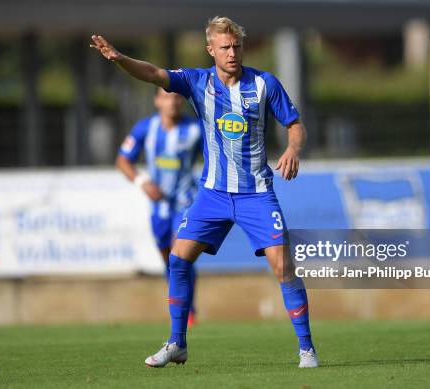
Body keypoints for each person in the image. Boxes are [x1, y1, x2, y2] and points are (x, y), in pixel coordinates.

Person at [91, 15, 318, 368]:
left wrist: (292, 149)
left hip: (255, 193)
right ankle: (177, 343)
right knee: (178, 259)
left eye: (237, 46)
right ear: (210, 49)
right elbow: (152, 73)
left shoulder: (264, 84)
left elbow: (295, 125)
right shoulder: (197, 81)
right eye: (225, 47)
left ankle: (306, 349)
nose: (232, 53)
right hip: (212, 195)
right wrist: (120, 59)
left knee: (283, 266)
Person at [116, 87, 202, 326]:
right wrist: (143, 182)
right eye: (166, 97)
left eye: (176, 97)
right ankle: (181, 303)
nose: (172, 102)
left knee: (179, 255)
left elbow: (214, 157)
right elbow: (123, 160)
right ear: (157, 101)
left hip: (186, 201)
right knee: (168, 258)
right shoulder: (146, 128)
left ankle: (188, 311)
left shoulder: (195, 129)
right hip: (158, 206)